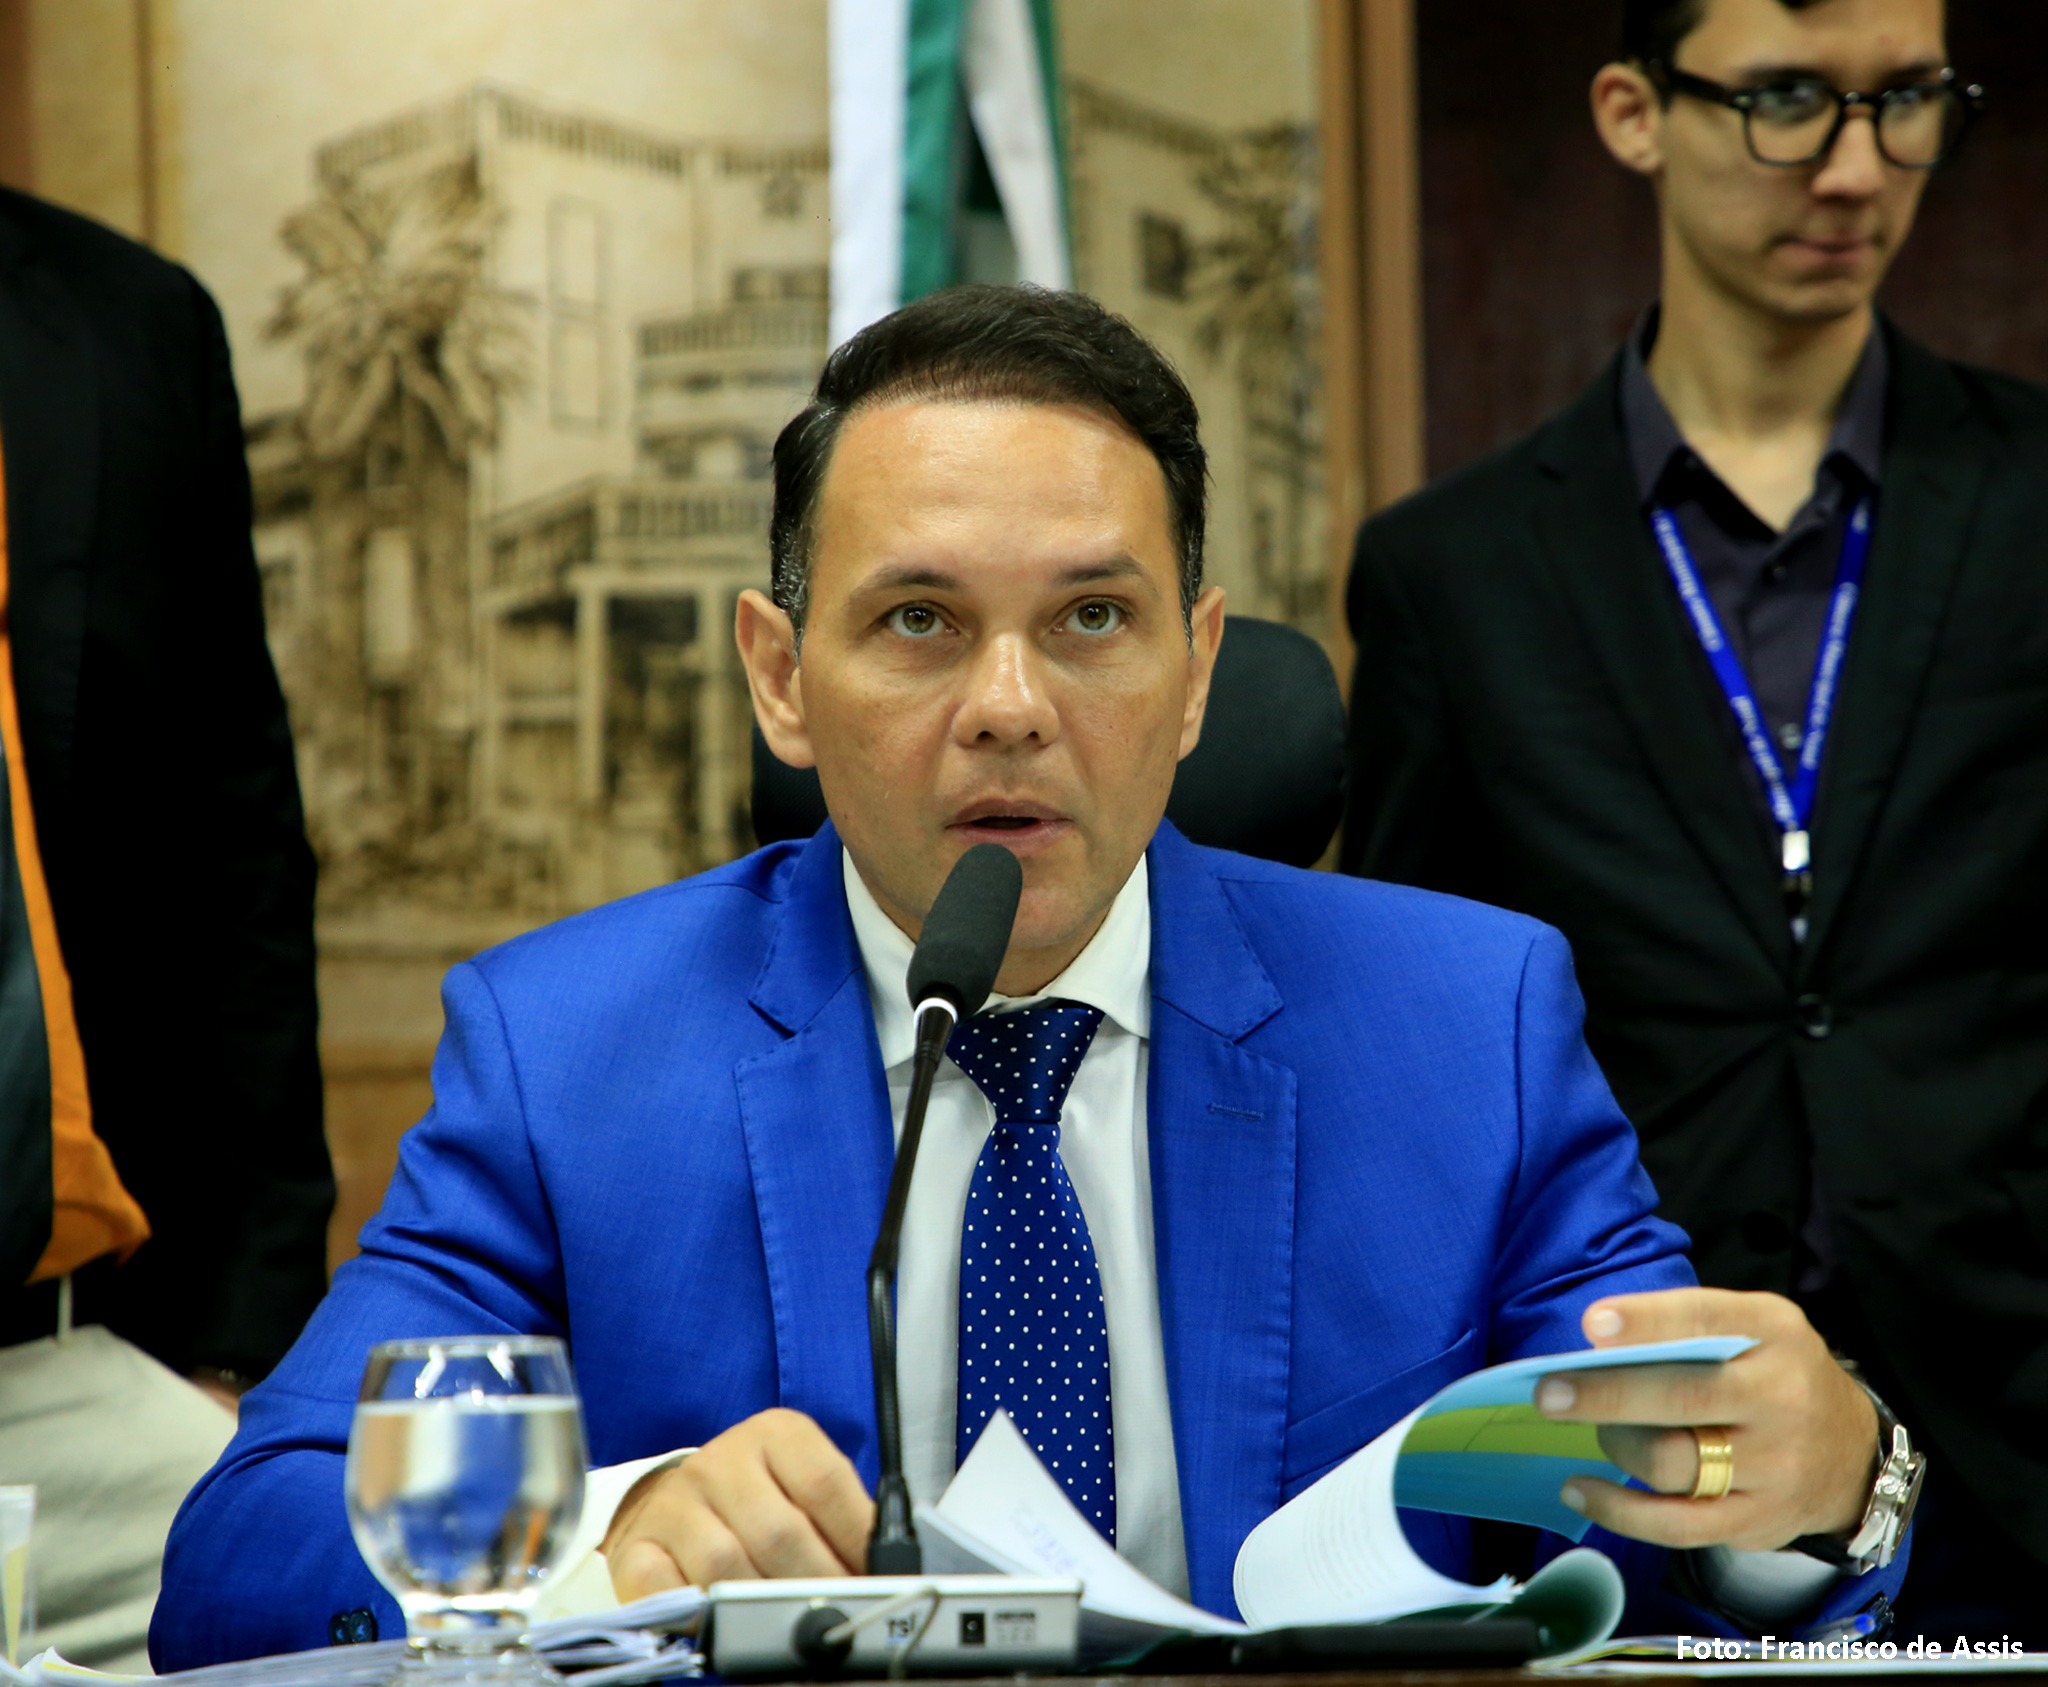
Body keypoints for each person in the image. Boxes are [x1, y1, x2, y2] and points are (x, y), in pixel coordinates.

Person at [157, 285, 1901, 1670]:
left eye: (1092, 620)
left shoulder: (1469, 1027)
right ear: (781, 676)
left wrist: (1824, 1490)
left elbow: (1672, 1505)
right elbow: (245, 1560)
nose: (1010, 706)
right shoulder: (569, 1053)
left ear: (1196, 671)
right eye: (918, 620)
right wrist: (610, 1535)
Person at [1342, 0, 2041, 1642]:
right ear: (1632, 111)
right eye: (1787, 99)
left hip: (2018, 1424)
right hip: (1640, 1461)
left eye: (1907, 99)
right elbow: (1418, 1045)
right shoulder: (1457, 572)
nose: (1856, 169)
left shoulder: (2037, 497)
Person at [0, 186, 331, 1670]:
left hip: (63, 1379)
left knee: (357, 1607)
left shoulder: (127, 325)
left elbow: (234, 852)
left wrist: (237, 1351)